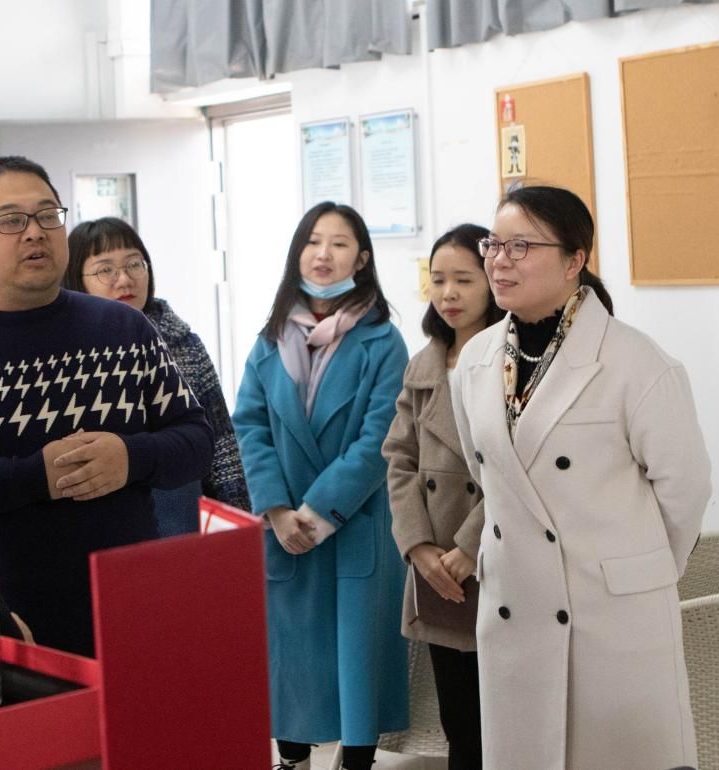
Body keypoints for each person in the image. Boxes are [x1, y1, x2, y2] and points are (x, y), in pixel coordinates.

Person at [0, 157, 213, 657]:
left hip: (127, 609)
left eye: (48, 215)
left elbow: (196, 441)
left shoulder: (124, 330)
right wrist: (36, 477)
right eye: (10, 220)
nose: (35, 232)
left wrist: (130, 457)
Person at [449, 185, 711, 769]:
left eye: (521, 246)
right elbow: (489, 473)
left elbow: (686, 490)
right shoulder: (475, 360)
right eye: (494, 245)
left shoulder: (635, 361)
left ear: (575, 261)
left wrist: (635, 572)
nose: (500, 260)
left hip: (612, 619)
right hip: (515, 611)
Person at [232, 201, 409, 770]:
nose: (323, 254)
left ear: (362, 258)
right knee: (292, 667)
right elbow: (249, 427)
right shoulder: (269, 340)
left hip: (352, 523)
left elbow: (380, 438)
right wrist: (277, 510)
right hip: (283, 527)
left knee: (357, 669)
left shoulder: (384, 341)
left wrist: (316, 513)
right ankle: (293, 762)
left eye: (339, 243)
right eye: (313, 241)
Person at [382, 223, 503, 770]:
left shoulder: (511, 360)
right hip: (437, 570)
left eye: (464, 280)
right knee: (460, 721)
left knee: (503, 718)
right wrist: (418, 546)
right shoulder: (424, 365)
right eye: (438, 280)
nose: (449, 293)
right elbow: (399, 458)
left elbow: (519, 468)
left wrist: (468, 545)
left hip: (493, 556)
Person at [65, 216, 251, 534]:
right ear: (76, 280)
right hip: (102, 523)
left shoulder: (183, 343)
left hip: (182, 519)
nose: (125, 280)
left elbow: (220, 441)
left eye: (134, 264)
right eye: (105, 270)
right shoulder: (68, 354)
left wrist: (237, 518)